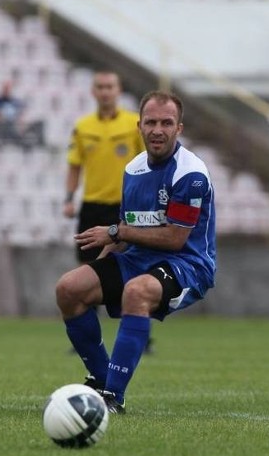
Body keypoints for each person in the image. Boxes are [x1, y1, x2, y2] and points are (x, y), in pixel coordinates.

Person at [55, 90, 216, 414]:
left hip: (187, 263)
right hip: (138, 258)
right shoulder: (133, 169)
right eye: (151, 122)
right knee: (69, 289)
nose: (158, 129)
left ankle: (113, 397)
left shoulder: (190, 174)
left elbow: (174, 239)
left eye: (166, 123)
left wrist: (116, 231)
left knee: (136, 291)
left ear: (179, 128)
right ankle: (101, 382)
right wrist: (99, 271)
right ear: (139, 126)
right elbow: (126, 231)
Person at [64, 71, 143, 263]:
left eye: (110, 87)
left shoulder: (135, 123)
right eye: (100, 87)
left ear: (119, 90)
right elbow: (75, 165)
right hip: (92, 205)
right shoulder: (83, 126)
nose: (105, 92)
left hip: (123, 206)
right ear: (93, 91)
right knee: (86, 266)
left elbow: (147, 162)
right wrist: (69, 199)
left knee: (122, 265)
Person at [0, 80, 45, 148]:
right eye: (5, 88)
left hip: (16, 127)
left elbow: (20, 116)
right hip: (5, 128)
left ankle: (38, 144)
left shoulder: (14, 102)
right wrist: (0, 118)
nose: (7, 90)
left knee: (39, 123)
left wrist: (21, 123)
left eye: (8, 88)